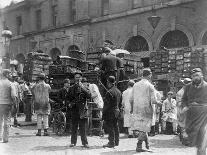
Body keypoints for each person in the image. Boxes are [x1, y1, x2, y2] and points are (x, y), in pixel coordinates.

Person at [129, 68, 160, 152]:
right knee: (144, 128)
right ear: (149, 75)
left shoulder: (135, 85)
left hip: (137, 109)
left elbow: (131, 99)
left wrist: (132, 109)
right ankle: (139, 146)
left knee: (142, 128)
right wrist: (159, 103)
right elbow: (153, 100)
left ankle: (147, 144)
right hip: (146, 110)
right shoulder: (150, 86)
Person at [182, 68, 207, 155]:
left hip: (204, 116)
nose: (195, 78)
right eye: (193, 76)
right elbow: (184, 99)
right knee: (194, 139)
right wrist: (185, 106)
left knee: (202, 138)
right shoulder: (188, 87)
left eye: (196, 75)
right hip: (191, 116)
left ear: (201, 75)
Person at [68, 72, 91, 148]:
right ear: (74, 78)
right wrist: (70, 104)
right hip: (74, 109)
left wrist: (83, 88)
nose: (78, 78)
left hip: (82, 109)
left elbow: (89, 96)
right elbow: (68, 98)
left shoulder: (85, 87)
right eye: (76, 77)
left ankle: (85, 143)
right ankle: (73, 142)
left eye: (79, 77)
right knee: (74, 127)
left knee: (83, 127)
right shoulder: (71, 88)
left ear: (81, 78)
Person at [103, 76, 122, 148]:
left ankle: (111, 142)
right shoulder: (118, 91)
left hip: (110, 112)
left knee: (110, 127)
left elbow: (107, 105)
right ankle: (116, 142)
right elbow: (120, 103)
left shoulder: (109, 92)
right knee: (116, 126)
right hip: (117, 111)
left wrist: (103, 112)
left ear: (108, 82)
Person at [0, 69, 16, 143]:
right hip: (7, 104)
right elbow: (13, 96)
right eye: (10, 74)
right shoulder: (10, 84)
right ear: (6, 74)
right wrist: (14, 103)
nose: (11, 75)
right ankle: (5, 138)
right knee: (6, 121)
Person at [176, 78, 191, 144]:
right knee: (184, 126)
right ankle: (185, 140)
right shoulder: (180, 93)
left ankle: (185, 138)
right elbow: (179, 103)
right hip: (183, 111)